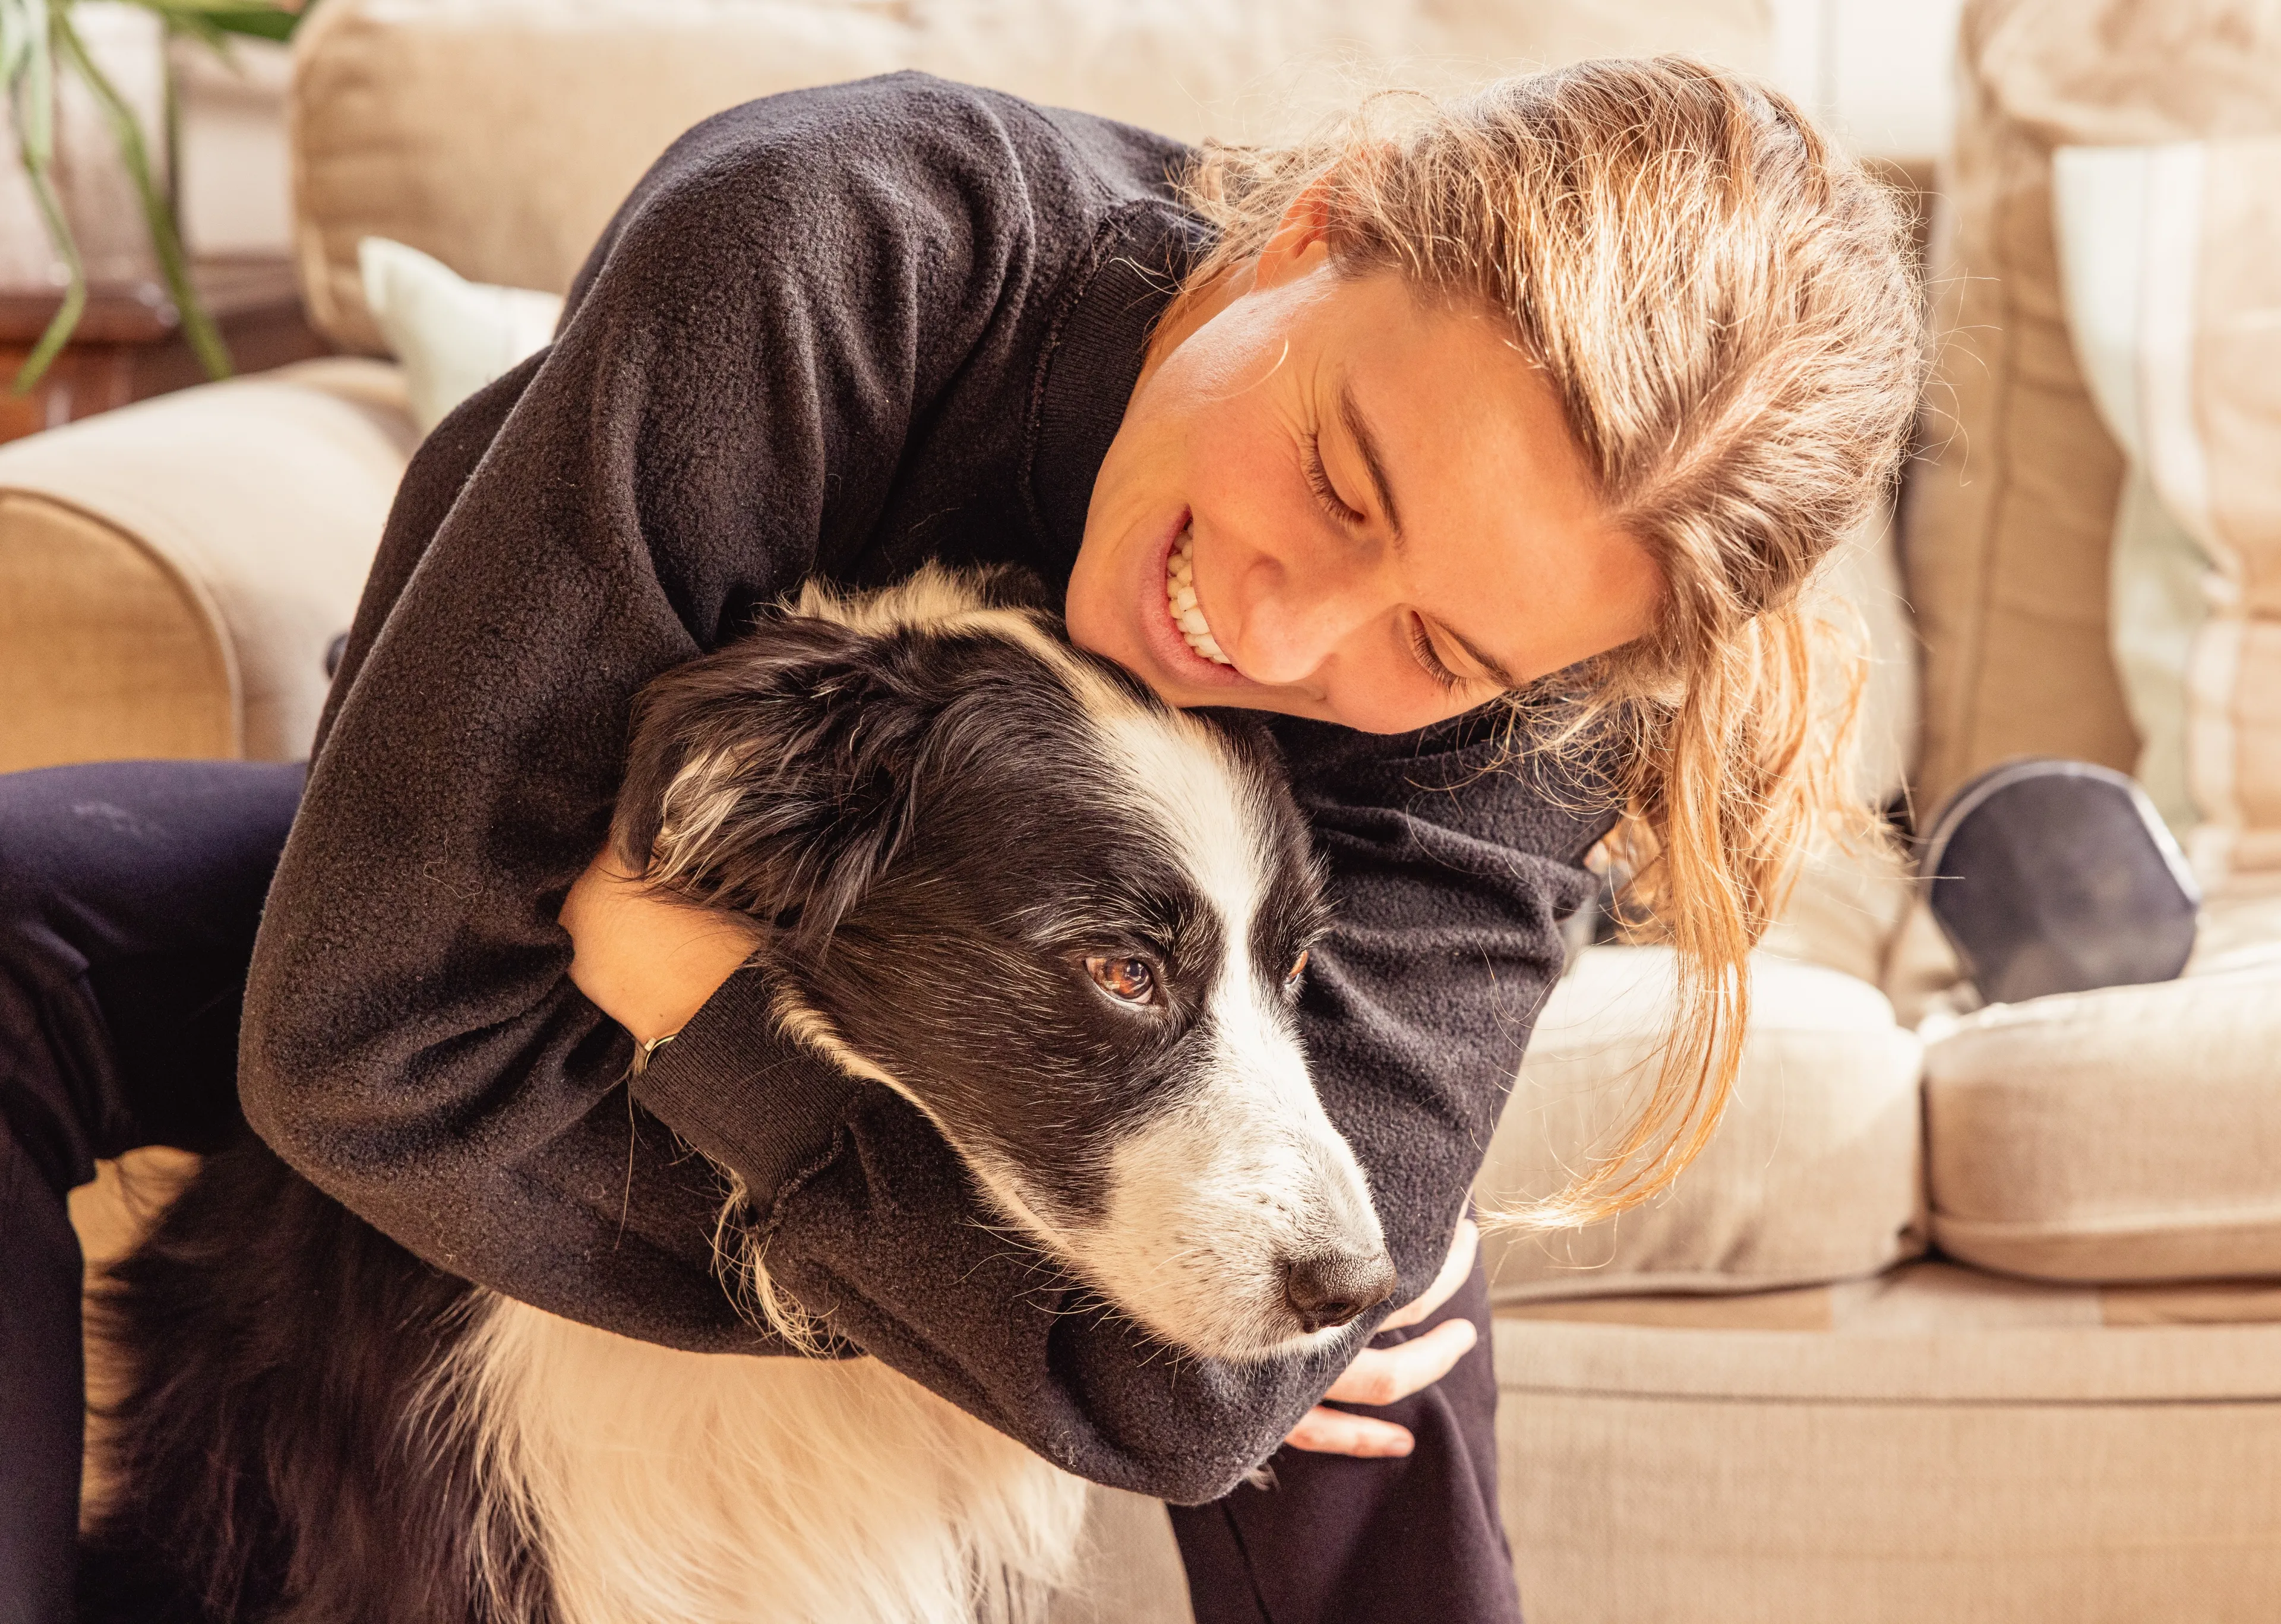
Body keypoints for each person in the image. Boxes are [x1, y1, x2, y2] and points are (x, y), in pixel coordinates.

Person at [0, 58, 1919, 1624]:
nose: (1285, 630)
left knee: (1361, 1298)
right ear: (1312, 239)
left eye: (1436, 648)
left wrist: (717, 1023)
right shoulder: (835, 250)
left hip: (745, 959)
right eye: (1338, 480)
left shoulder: (1537, 694)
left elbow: (1196, 1393)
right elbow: (369, 1028)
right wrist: (1011, 1314)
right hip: (521, 872)